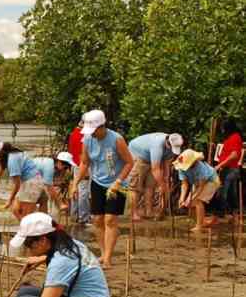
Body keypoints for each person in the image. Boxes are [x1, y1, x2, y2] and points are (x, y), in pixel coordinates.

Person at [71, 110, 133, 268]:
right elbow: (85, 163)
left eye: (93, 131)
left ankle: (108, 258)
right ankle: (103, 253)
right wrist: (75, 183)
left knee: (110, 220)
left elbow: (129, 162)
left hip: (118, 184)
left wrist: (118, 182)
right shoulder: (87, 140)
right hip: (97, 182)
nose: (91, 134)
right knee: (97, 220)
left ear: (101, 127)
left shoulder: (117, 140)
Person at [128, 132, 184, 221]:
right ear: (167, 142)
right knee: (135, 186)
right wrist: (162, 185)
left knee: (150, 186)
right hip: (138, 155)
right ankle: (133, 213)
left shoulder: (172, 146)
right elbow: (155, 169)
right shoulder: (157, 145)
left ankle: (149, 211)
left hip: (151, 160)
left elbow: (166, 164)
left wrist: (166, 180)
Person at [0, 139, 44, 219]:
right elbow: (2, 165)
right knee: (15, 209)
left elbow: (17, 185)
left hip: (32, 183)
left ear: (0, 153)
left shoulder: (12, 161)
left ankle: (28, 229)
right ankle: (26, 228)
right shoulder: (8, 153)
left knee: (25, 216)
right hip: (28, 181)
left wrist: (10, 200)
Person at [175, 149, 220, 231]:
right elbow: (184, 184)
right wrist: (182, 198)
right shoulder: (181, 167)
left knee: (197, 200)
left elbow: (201, 186)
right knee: (189, 203)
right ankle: (201, 222)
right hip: (196, 183)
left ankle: (199, 226)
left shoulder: (200, 167)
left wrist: (191, 198)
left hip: (211, 181)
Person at [214, 119, 243, 220]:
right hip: (228, 168)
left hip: (230, 168)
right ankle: (233, 213)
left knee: (223, 191)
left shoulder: (235, 137)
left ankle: (222, 213)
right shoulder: (230, 137)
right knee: (231, 192)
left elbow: (234, 155)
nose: (222, 130)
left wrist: (220, 165)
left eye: (223, 128)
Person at [68, 119, 90, 224]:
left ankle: (74, 215)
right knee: (83, 191)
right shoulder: (82, 135)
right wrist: (85, 171)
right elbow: (82, 154)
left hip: (74, 164)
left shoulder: (73, 133)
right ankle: (84, 217)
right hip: (80, 165)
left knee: (75, 189)